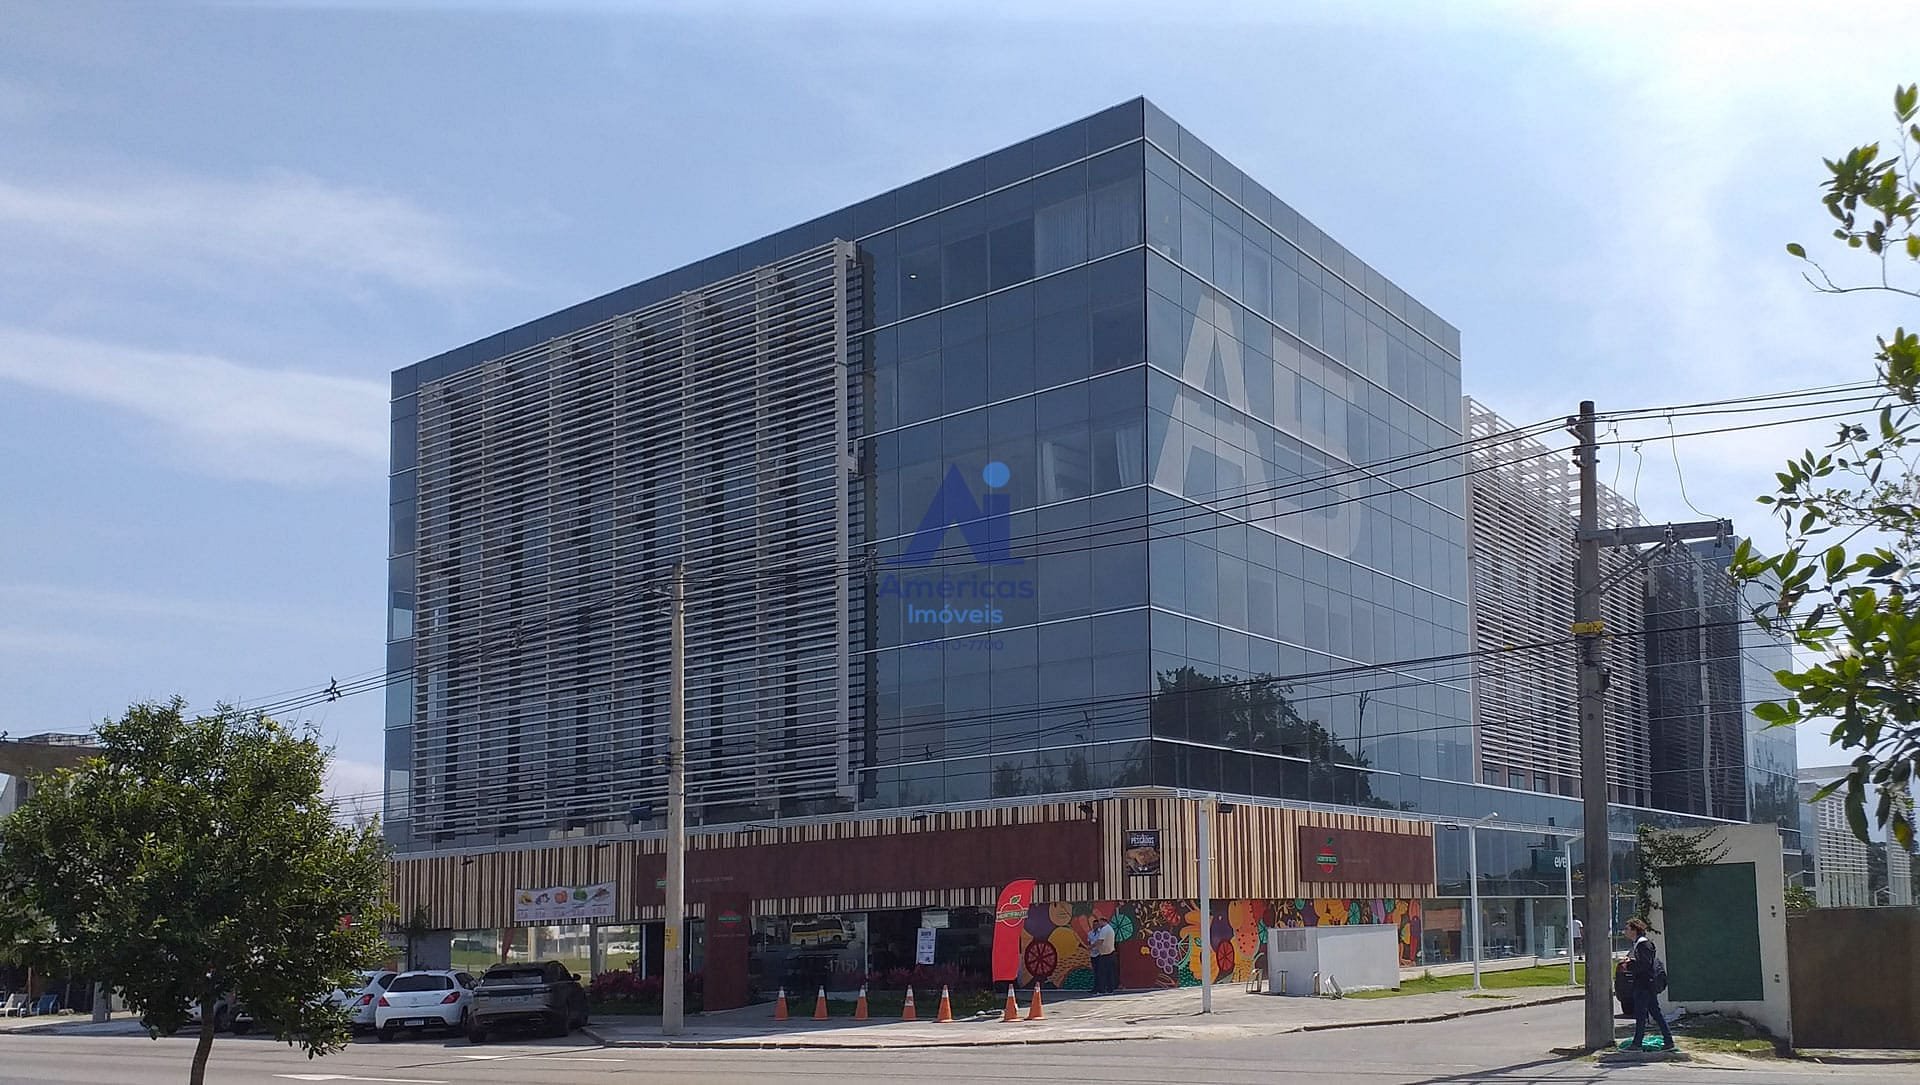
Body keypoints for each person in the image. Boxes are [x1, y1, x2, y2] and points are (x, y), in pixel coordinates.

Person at [1621, 917, 1674, 1052]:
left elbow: (1645, 965)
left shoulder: (1643, 944)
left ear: (1634, 930)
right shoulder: (1639, 944)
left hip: (1644, 984)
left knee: (1641, 1014)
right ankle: (1668, 1041)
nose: (1624, 931)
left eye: (1627, 929)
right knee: (1655, 1013)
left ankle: (1637, 1044)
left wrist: (1629, 965)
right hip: (1645, 984)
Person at [1085, 916, 1117, 994]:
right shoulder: (1109, 928)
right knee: (1108, 972)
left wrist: (1091, 947)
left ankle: (1102, 989)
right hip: (1107, 953)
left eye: (1099, 922)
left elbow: (1100, 941)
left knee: (1101, 973)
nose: (1098, 924)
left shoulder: (1104, 929)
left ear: (1103, 921)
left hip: (1105, 954)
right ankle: (1109, 989)